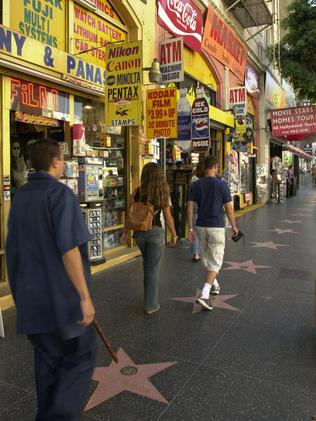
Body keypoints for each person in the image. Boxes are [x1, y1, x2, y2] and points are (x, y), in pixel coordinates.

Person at [6, 139, 97, 421]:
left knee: (47, 363)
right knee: (80, 359)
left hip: (31, 301)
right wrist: (84, 296)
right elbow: (69, 248)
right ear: (56, 161)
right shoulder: (60, 195)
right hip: (63, 302)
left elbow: (13, 246)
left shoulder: (19, 197)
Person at [121, 163, 177, 315]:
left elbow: (130, 213)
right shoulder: (162, 192)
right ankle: (151, 305)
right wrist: (174, 234)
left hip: (139, 234)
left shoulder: (137, 192)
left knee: (148, 266)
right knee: (152, 269)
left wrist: (125, 231)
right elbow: (168, 216)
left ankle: (148, 298)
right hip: (155, 233)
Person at [187, 156, 238, 311]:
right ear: (215, 167)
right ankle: (204, 294)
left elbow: (190, 209)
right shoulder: (222, 185)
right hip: (216, 227)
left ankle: (214, 285)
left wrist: (190, 229)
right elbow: (229, 209)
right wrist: (234, 227)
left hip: (200, 226)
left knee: (207, 259)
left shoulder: (195, 185)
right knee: (216, 262)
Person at [191, 160, 204, 263]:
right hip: (205, 208)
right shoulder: (206, 180)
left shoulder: (194, 180)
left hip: (195, 206)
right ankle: (202, 252)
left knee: (195, 231)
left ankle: (196, 254)